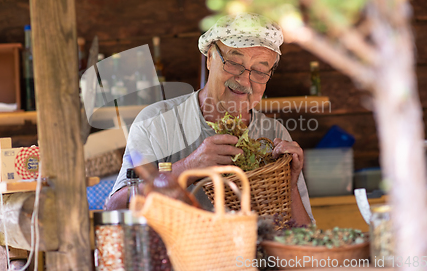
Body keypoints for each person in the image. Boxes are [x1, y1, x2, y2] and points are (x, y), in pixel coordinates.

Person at [105, 13, 314, 225]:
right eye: (233, 63)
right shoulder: (156, 123)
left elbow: (306, 240)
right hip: (176, 257)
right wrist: (189, 166)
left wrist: (290, 186)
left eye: (260, 71)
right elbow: (115, 209)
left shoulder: (274, 134)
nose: (244, 80)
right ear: (210, 59)